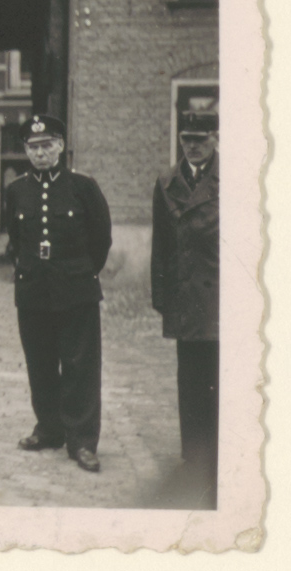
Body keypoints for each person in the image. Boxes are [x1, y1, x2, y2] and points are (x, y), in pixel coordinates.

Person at [4, 114, 112, 473]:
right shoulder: (16, 191)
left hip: (76, 291)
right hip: (33, 291)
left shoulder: (83, 187)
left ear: (61, 146)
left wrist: (81, 272)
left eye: (47, 145)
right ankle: (49, 429)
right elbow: (15, 240)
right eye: (33, 147)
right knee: (40, 364)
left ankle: (82, 440)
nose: (40, 153)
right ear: (25, 151)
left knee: (81, 365)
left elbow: (101, 239)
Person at [151, 107, 219, 506]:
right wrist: (162, 298)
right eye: (187, 140)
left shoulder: (233, 178)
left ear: (214, 138)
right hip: (186, 296)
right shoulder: (167, 182)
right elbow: (161, 245)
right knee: (189, 377)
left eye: (201, 140)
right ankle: (193, 454)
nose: (193, 147)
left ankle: (219, 454)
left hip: (220, 295)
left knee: (219, 375)